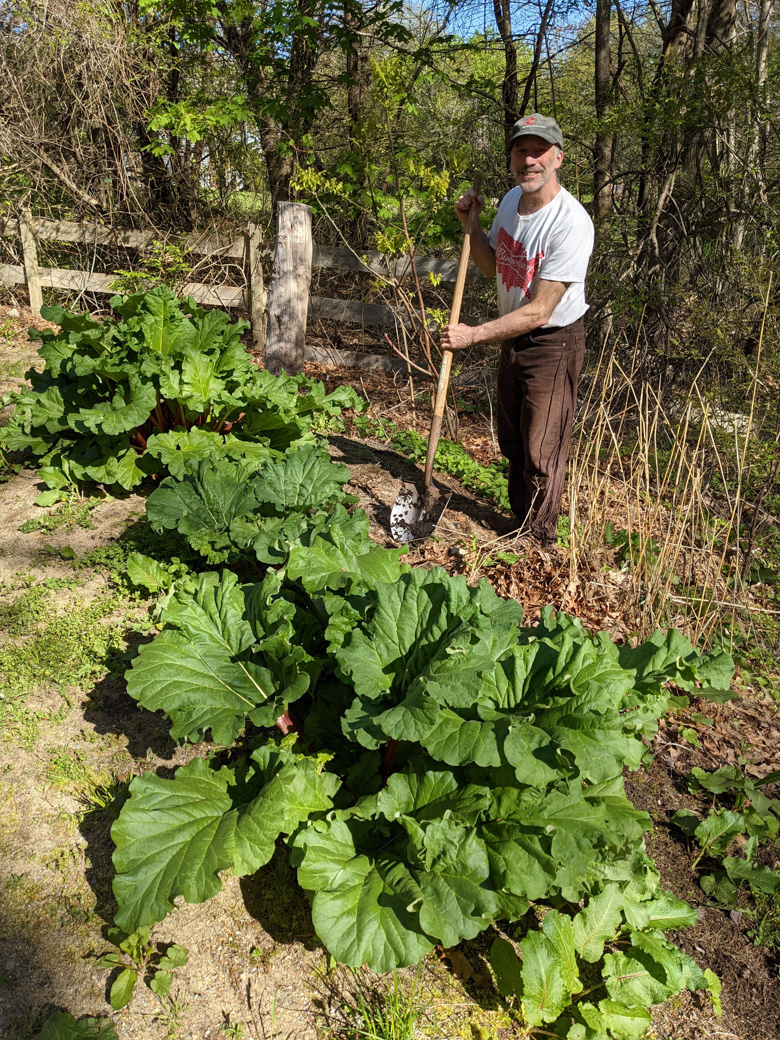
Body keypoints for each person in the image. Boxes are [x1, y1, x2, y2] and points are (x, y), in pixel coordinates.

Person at [441, 113, 594, 547]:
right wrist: (469, 224)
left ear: (558, 157)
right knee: (511, 438)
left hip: (553, 341)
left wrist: (472, 335)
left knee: (542, 448)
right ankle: (520, 522)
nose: (529, 160)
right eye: (520, 151)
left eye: (538, 151)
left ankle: (539, 539)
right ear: (511, 158)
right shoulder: (510, 201)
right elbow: (492, 266)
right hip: (513, 335)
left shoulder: (571, 223)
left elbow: (540, 311)